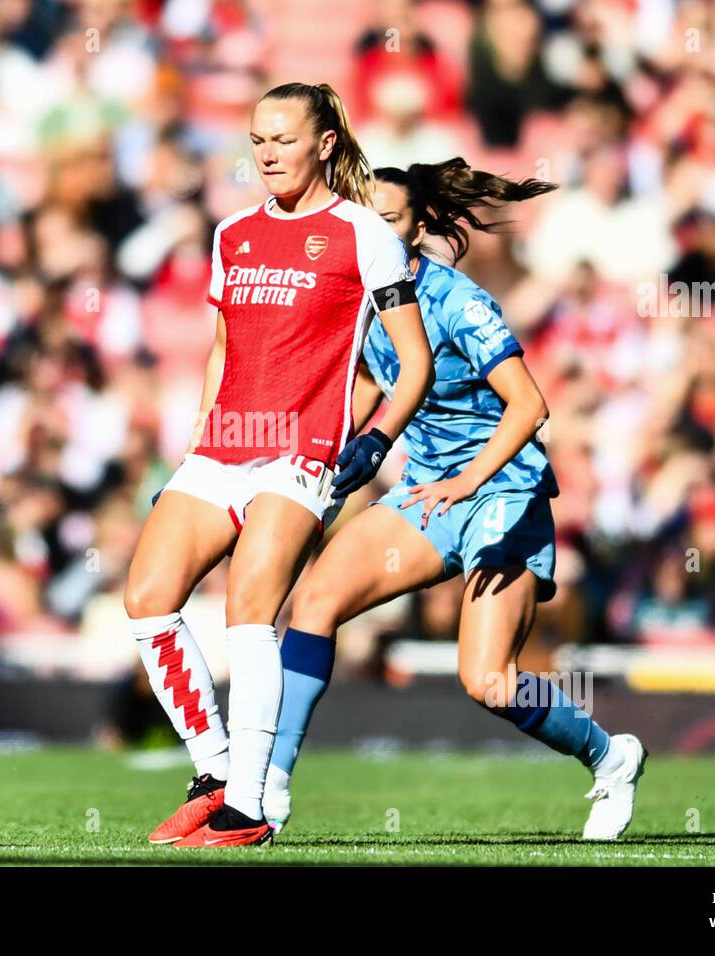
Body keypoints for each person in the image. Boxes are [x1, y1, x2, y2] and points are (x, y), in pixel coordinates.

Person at [261, 159, 648, 842]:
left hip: (502, 492)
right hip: (430, 495)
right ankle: (270, 785)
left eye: (388, 220)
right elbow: (372, 390)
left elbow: (530, 405)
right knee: (315, 603)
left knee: (490, 682)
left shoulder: (457, 301)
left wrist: (468, 482)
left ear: (417, 228)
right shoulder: (357, 299)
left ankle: (609, 756)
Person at [123, 83, 435, 847]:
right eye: (258, 139)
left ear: (324, 144)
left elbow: (415, 363)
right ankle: (215, 767)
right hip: (221, 447)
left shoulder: (364, 234)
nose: (266, 153)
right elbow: (225, 349)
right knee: (146, 599)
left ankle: (251, 807)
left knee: (248, 615)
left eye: (283, 139)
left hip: (301, 455)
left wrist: (376, 439)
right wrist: (197, 439)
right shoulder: (233, 233)